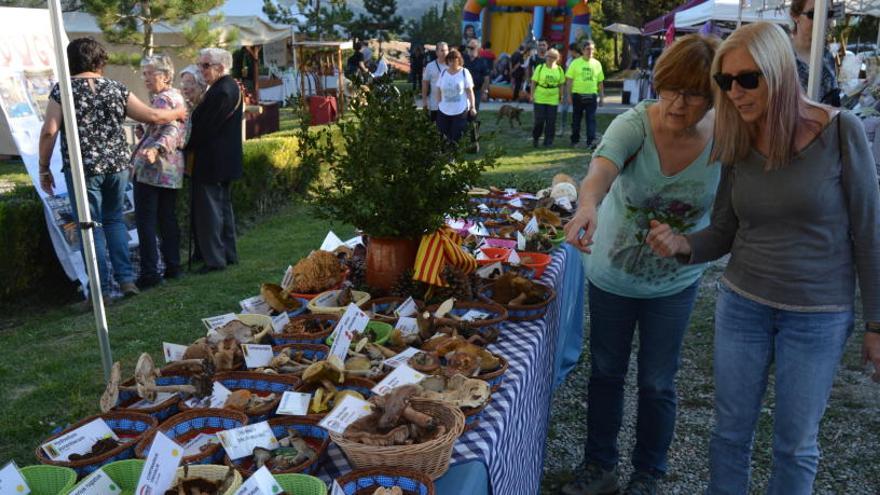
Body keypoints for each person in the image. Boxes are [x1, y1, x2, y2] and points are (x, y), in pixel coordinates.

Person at [645, 22, 880, 494]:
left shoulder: (841, 132)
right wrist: (683, 244)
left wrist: (876, 326)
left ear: (778, 72)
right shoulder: (737, 139)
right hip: (742, 306)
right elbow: (726, 231)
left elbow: (869, 234)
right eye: (725, 81)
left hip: (817, 315)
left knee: (795, 445)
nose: (734, 92)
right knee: (729, 434)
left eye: (747, 78)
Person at [561, 34, 721, 495]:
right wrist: (587, 206)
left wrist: (687, 243)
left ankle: (649, 473)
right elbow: (600, 172)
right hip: (612, 275)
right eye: (669, 88)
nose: (676, 103)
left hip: (675, 283)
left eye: (692, 94)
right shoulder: (634, 124)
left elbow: (730, 217)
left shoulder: (726, 139)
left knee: (657, 382)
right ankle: (600, 467)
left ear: (712, 97)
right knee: (607, 372)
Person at [37, 38, 185, 303]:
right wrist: (180, 111)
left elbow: (49, 131)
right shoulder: (116, 88)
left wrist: (43, 167)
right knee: (115, 220)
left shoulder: (64, 91)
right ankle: (126, 280)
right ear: (100, 61)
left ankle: (101, 291)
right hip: (117, 166)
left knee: (89, 227)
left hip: (84, 168)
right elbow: (152, 116)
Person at [185, 48, 243, 274]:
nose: (201, 70)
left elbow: (205, 128)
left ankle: (216, 260)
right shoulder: (226, 87)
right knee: (221, 210)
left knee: (210, 213)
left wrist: (185, 144)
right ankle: (227, 255)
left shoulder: (222, 91)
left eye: (205, 66)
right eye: (200, 65)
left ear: (220, 67)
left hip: (212, 161)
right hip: (221, 160)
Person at [132, 54, 186, 288]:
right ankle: (173, 266)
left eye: (150, 73)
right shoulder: (176, 96)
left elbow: (171, 130)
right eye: (144, 73)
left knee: (147, 222)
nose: (145, 78)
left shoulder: (163, 99)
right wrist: (146, 133)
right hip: (171, 170)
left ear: (165, 76)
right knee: (167, 219)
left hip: (154, 169)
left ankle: (150, 273)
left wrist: (155, 147)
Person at [790, 0, 840, 106]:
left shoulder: (827, 56)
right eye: (813, 14)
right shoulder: (782, 58)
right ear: (795, 16)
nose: (822, 20)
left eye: (828, 14)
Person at [566, 39, 605, 148]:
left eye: (592, 49)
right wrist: (568, 96)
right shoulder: (575, 63)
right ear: (582, 50)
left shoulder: (597, 64)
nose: (590, 51)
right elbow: (569, 80)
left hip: (591, 96)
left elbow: (600, 82)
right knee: (576, 120)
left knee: (591, 120)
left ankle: (591, 142)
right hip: (577, 95)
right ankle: (574, 140)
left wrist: (601, 98)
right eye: (588, 49)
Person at [436, 49, 476, 144]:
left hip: (460, 110)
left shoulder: (464, 72)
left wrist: (472, 107)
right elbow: (438, 88)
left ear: (459, 60)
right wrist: (438, 102)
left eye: (454, 59)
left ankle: (453, 156)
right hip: (444, 109)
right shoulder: (443, 72)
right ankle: (444, 155)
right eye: (450, 60)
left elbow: (470, 91)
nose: (452, 62)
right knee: (443, 135)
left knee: (456, 135)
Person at [529, 48, 565, 147]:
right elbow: (533, 82)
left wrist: (561, 96)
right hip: (540, 97)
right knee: (539, 120)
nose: (550, 58)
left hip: (553, 98)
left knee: (551, 121)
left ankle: (548, 141)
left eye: (553, 57)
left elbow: (561, 84)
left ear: (557, 59)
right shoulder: (540, 68)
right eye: (548, 56)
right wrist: (531, 95)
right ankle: (536, 138)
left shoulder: (559, 70)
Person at [558, 43, 581, 137]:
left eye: (569, 51)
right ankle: (562, 129)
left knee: (577, 111)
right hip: (569, 88)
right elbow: (567, 75)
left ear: (573, 51)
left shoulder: (582, 60)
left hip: (579, 89)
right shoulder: (569, 60)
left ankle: (575, 130)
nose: (568, 52)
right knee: (564, 110)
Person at [422, 42, 449, 121]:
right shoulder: (430, 66)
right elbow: (425, 84)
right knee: (436, 129)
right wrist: (424, 102)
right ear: (436, 52)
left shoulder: (452, 65)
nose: (445, 53)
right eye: (442, 50)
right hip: (435, 104)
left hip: (450, 105)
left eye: (447, 50)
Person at [464, 39, 492, 111]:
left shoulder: (482, 61)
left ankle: (472, 122)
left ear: (478, 49)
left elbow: (486, 78)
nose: (470, 49)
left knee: (474, 111)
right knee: (463, 111)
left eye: (472, 48)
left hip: (476, 90)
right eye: (469, 47)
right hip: (464, 91)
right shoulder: (463, 59)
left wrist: (485, 92)